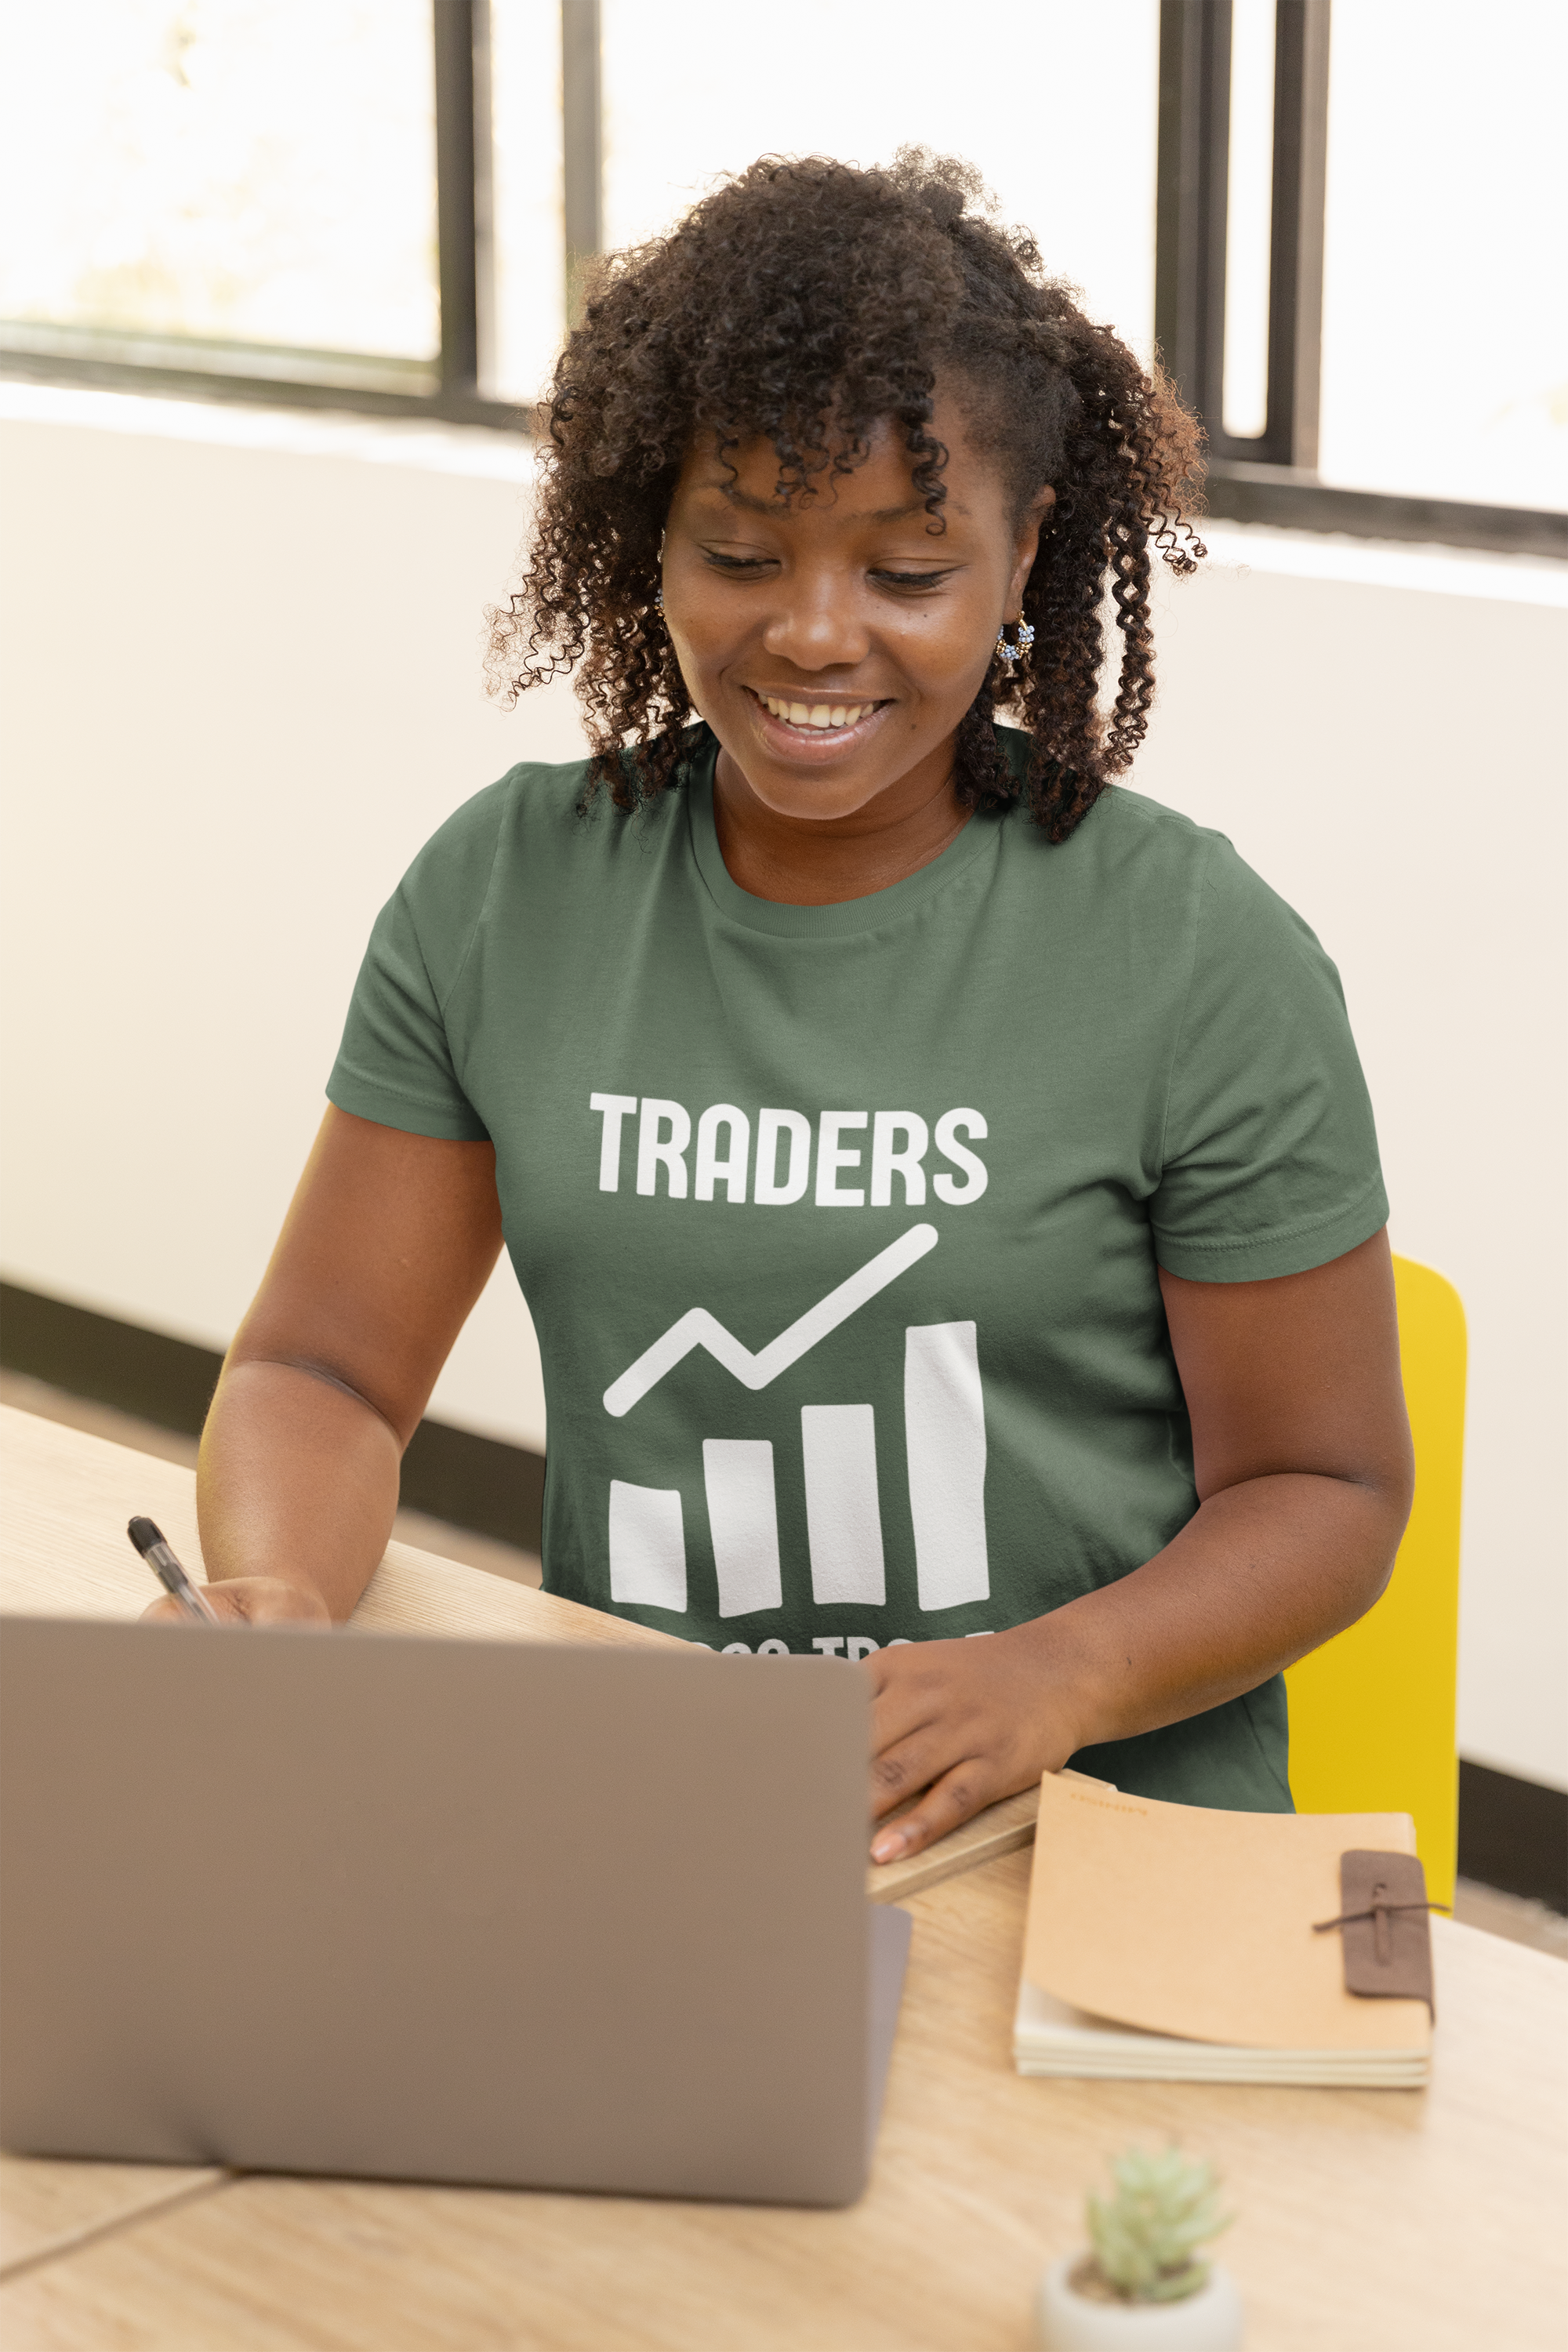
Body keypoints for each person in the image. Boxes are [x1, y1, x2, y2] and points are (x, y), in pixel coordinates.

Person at [152, 153, 1414, 1864]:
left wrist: (1051, 1675)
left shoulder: (1192, 951)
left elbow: (1325, 1491)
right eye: (742, 552)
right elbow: (324, 1367)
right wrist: (278, 1592)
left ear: (1022, 551)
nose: (815, 634)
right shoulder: (507, 895)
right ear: (649, 540)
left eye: (905, 573)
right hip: (678, 1822)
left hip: (1090, 1846)